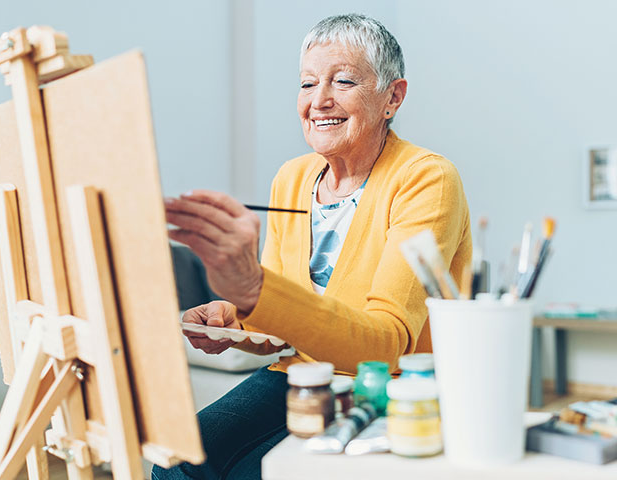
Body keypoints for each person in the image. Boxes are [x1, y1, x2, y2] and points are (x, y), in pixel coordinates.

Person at [153, 13, 471, 480]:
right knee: (178, 464)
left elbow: (384, 346)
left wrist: (253, 289)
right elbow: (285, 315)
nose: (319, 101)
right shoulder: (292, 177)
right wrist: (234, 315)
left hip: (383, 387)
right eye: (306, 84)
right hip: (296, 376)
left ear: (392, 97)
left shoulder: (426, 179)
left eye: (342, 81)